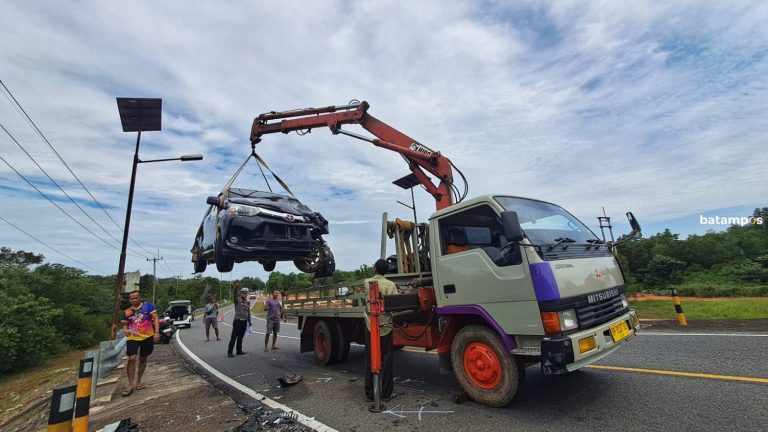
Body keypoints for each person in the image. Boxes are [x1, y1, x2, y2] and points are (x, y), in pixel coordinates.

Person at [364, 258, 399, 402]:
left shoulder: (367, 282)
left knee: (370, 358)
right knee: (386, 359)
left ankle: (369, 394)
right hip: (385, 326)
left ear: (375, 269)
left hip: (370, 325)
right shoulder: (391, 285)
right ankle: (386, 393)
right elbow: (395, 304)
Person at [121, 290, 160, 397]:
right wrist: (125, 329)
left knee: (143, 358)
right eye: (131, 299)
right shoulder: (128, 311)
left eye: (135, 298)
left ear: (140, 298)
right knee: (132, 358)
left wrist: (156, 332)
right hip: (133, 337)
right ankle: (130, 384)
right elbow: (125, 324)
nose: (133, 300)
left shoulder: (148, 307)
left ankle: (138, 381)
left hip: (147, 336)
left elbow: (156, 318)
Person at [228, 287, 252, 358]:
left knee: (241, 337)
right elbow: (234, 296)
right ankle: (230, 352)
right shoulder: (237, 301)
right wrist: (235, 288)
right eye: (244, 293)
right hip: (237, 321)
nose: (245, 295)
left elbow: (248, 313)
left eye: (246, 293)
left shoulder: (247, 302)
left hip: (244, 321)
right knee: (234, 337)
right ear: (240, 293)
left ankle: (239, 350)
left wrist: (249, 321)